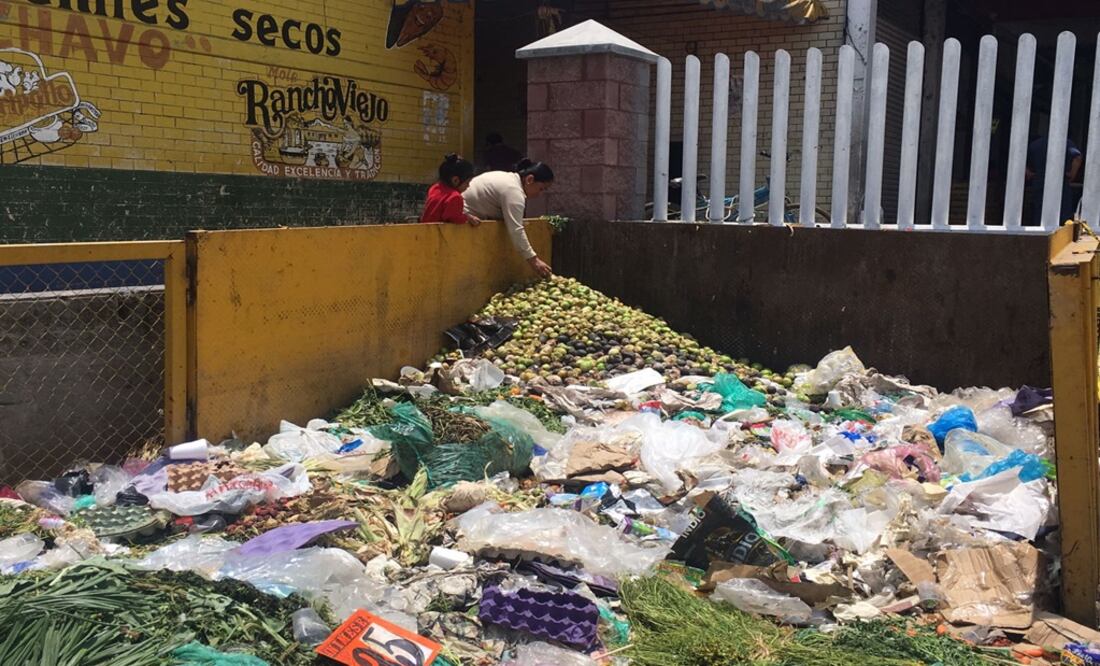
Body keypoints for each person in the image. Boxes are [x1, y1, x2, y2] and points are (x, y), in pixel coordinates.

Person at [464, 159, 554, 278]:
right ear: (529, 180)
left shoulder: (507, 179)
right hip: (464, 219)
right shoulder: (514, 192)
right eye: (541, 189)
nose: (539, 194)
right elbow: (516, 229)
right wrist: (534, 260)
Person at [1026, 134, 1083, 226]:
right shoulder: (1066, 143)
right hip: (1060, 183)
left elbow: (1021, 158)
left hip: (1040, 182)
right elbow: (1077, 157)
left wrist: (1029, 173)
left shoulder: (1035, 145)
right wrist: (1072, 174)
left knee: (1040, 215)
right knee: (1063, 216)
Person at [420, 154, 482, 225]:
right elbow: (455, 218)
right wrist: (468, 218)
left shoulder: (434, 188)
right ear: (455, 180)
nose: (468, 186)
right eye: (467, 182)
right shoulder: (455, 197)